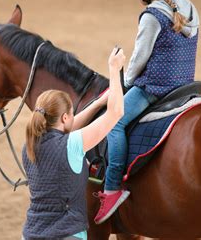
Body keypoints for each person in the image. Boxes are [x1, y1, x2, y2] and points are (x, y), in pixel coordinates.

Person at [94, 0, 200, 224]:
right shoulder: (188, 6)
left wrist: (123, 84)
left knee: (114, 122)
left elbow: (139, 59)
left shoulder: (152, 16)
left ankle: (112, 187)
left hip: (156, 88)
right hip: (185, 84)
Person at [21, 47, 126, 240]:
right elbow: (116, 113)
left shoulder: (29, 144)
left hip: (31, 234)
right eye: (71, 115)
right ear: (64, 117)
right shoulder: (73, 145)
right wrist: (114, 69)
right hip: (67, 235)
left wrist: (96, 104)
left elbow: (66, 128)